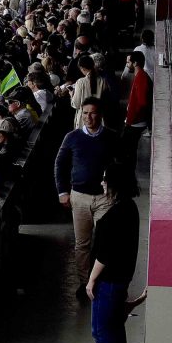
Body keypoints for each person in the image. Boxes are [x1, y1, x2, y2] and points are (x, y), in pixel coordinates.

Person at [54, 97, 119, 299]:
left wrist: (116, 190)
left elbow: (122, 164)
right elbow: (60, 164)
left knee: (104, 241)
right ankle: (85, 283)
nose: (88, 117)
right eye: (85, 113)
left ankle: (100, 280)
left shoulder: (111, 137)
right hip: (79, 197)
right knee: (82, 243)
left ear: (100, 115)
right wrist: (62, 191)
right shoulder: (72, 137)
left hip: (105, 198)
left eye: (92, 113)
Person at [85, 163, 140, 343]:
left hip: (108, 281)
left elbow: (105, 254)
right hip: (121, 279)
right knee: (116, 328)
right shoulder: (130, 208)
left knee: (101, 330)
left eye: (105, 179)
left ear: (115, 183)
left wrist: (90, 280)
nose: (102, 183)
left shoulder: (116, 214)